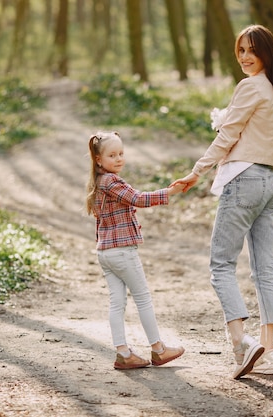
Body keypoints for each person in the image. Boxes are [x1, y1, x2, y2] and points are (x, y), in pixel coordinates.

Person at [172, 24, 273, 379]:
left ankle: (241, 344)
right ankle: (269, 354)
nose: (244, 57)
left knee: (221, 265)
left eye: (251, 51)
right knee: (264, 270)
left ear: (266, 54)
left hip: (244, 182)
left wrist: (197, 170)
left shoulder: (249, 87)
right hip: (271, 184)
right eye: (240, 50)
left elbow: (228, 136)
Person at [85, 131, 186, 370]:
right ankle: (158, 350)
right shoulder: (111, 181)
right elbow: (138, 199)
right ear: (99, 160)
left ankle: (123, 352)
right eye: (112, 155)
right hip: (121, 251)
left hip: (105, 252)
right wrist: (170, 192)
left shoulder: (99, 181)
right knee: (142, 298)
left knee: (117, 302)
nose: (119, 159)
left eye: (121, 153)